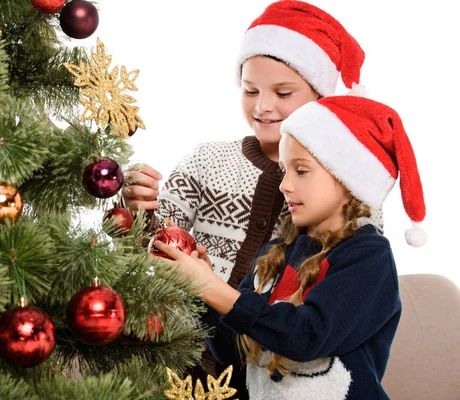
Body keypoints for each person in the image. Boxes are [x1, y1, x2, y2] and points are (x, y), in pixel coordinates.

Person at [122, 0, 382, 394]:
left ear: (322, 101)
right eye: (250, 90)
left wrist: (213, 289)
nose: (263, 106)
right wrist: (132, 209)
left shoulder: (350, 199)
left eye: (283, 92)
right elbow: (151, 247)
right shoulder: (207, 159)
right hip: (188, 367)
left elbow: (329, 319)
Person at [154, 94, 427, 399]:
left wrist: (215, 290)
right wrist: (203, 294)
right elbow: (236, 355)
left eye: (301, 170)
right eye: (284, 170)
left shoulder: (368, 257)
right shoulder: (274, 254)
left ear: (347, 178)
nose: (285, 184)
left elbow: (307, 337)